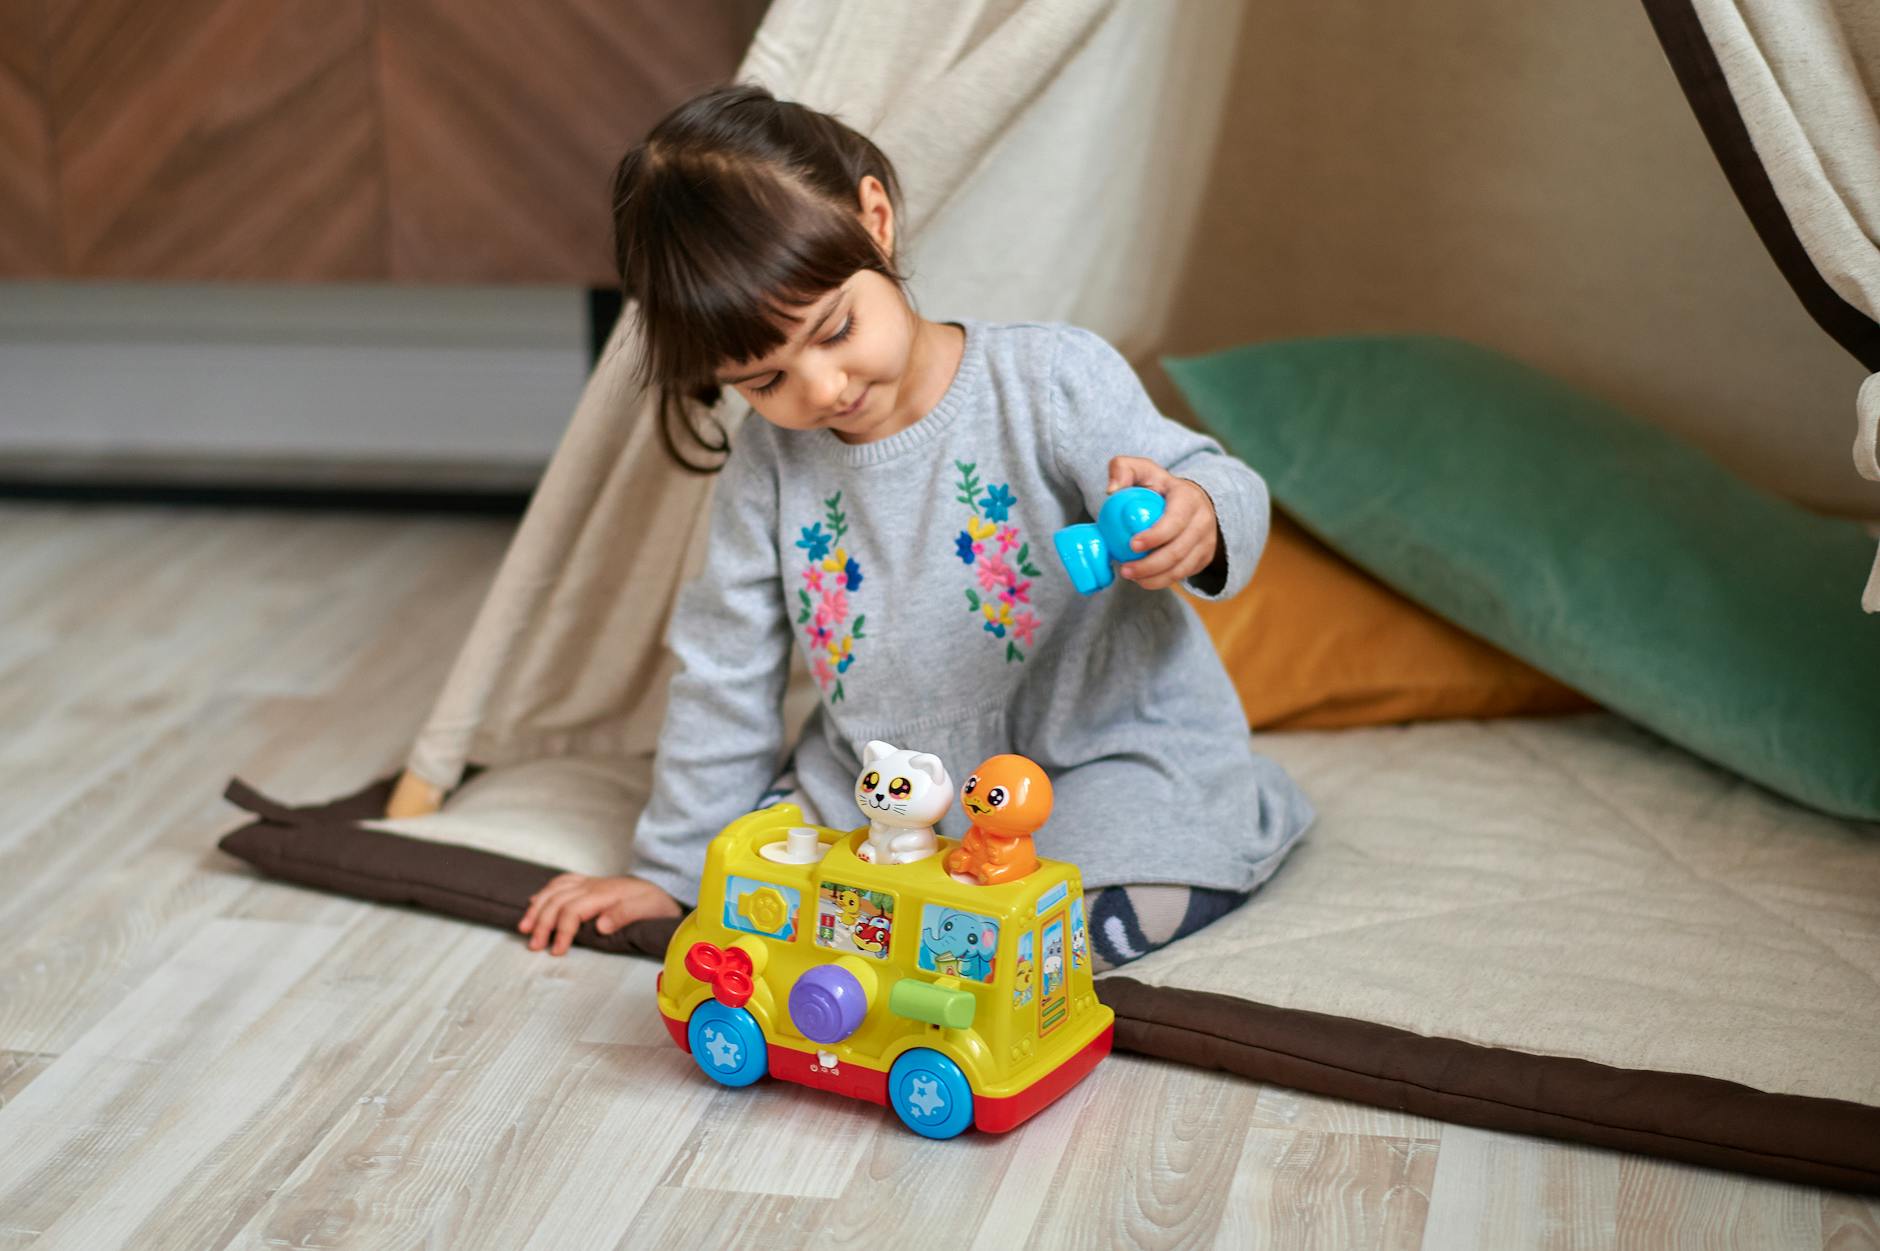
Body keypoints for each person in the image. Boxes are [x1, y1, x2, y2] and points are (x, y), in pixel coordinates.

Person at [520, 83, 1314, 966]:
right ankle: (918, 908)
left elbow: (1215, 478)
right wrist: (673, 872)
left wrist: (1196, 514)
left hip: (1099, 759)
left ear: (875, 220)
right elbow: (724, 672)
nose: (823, 389)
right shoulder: (767, 467)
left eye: (835, 330)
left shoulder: (1050, 379)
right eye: (765, 380)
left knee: (1079, 905)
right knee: (764, 893)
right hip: (884, 786)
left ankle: (1178, 839)